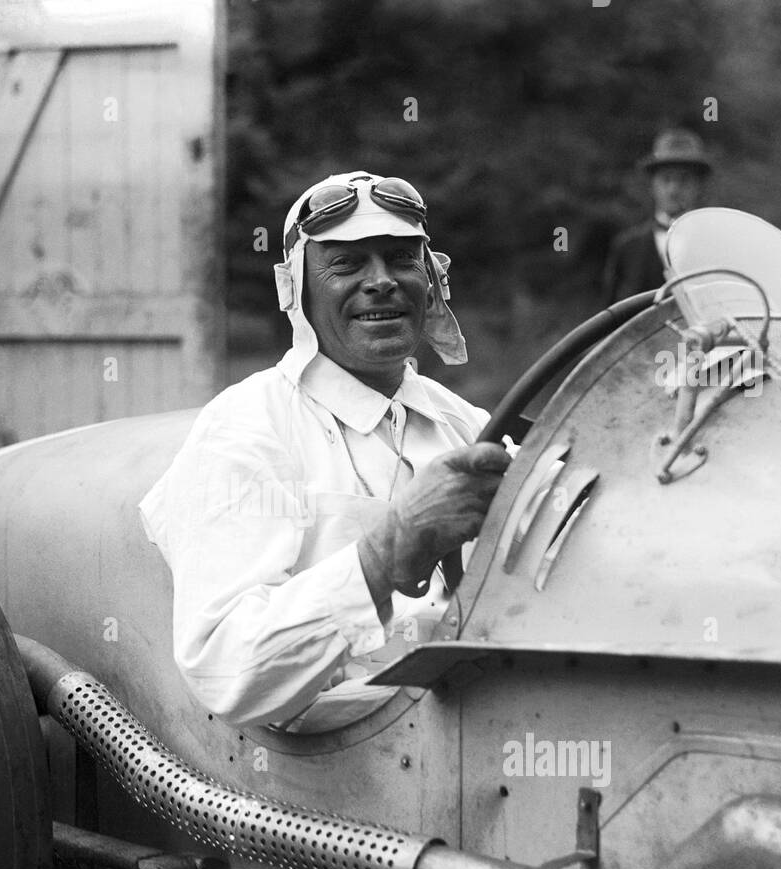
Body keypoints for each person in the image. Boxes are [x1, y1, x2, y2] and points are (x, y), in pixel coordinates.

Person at [139, 171, 510, 733]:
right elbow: (227, 668)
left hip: (491, 725)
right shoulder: (246, 429)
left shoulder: (467, 423)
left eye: (401, 260)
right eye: (347, 264)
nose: (381, 282)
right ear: (297, 291)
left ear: (433, 281)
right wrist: (390, 551)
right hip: (343, 776)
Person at [603, 128, 712, 304]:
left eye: (684, 180)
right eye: (666, 179)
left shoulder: (714, 243)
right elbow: (611, 316)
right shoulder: (627, 247)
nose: (673, 189)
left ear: (698, 186)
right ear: (652, 185)